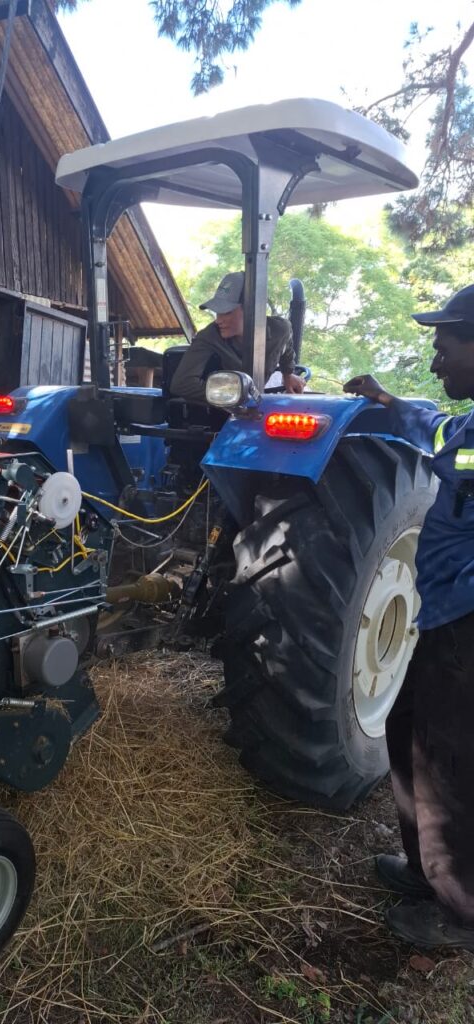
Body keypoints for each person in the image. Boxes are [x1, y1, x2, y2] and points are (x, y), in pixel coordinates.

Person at [344, 282, 474, 952]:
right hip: (449, 616)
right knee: (406, 727)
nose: (435, 359)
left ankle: (460, 915)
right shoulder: (471, 424)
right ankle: (427, 873)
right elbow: (444, 433)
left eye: (444, 345)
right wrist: (394, 406)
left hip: (469, 623)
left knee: (453, 762)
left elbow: (455, 454)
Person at [170, 271, 305, 402]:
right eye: (218, 312)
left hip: (258, 406)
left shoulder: (280, 330)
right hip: (222, 412)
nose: (218, 320)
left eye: (226, 312)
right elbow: (182, 383)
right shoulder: (209, 336)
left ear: (252, 310)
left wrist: (287, 374)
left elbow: (286, 348)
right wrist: (234, 396)